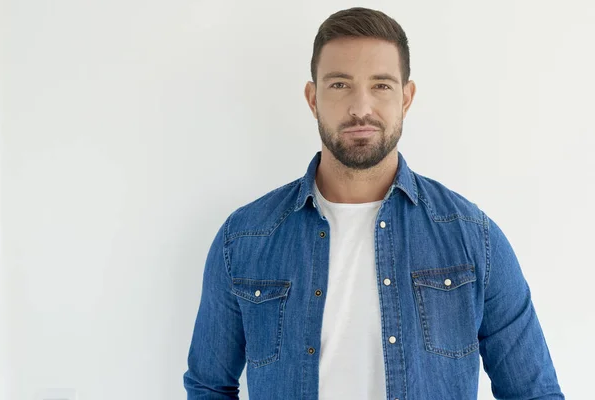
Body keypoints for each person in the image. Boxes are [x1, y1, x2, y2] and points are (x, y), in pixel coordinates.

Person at [183, 7, 564, 400]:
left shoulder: (472, 239)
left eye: (381, 85)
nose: (360, 107)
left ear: (406, 96)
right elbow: (209, 385)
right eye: (339, 85)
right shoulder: (243, 239)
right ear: (313, 98)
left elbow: (533, 392)